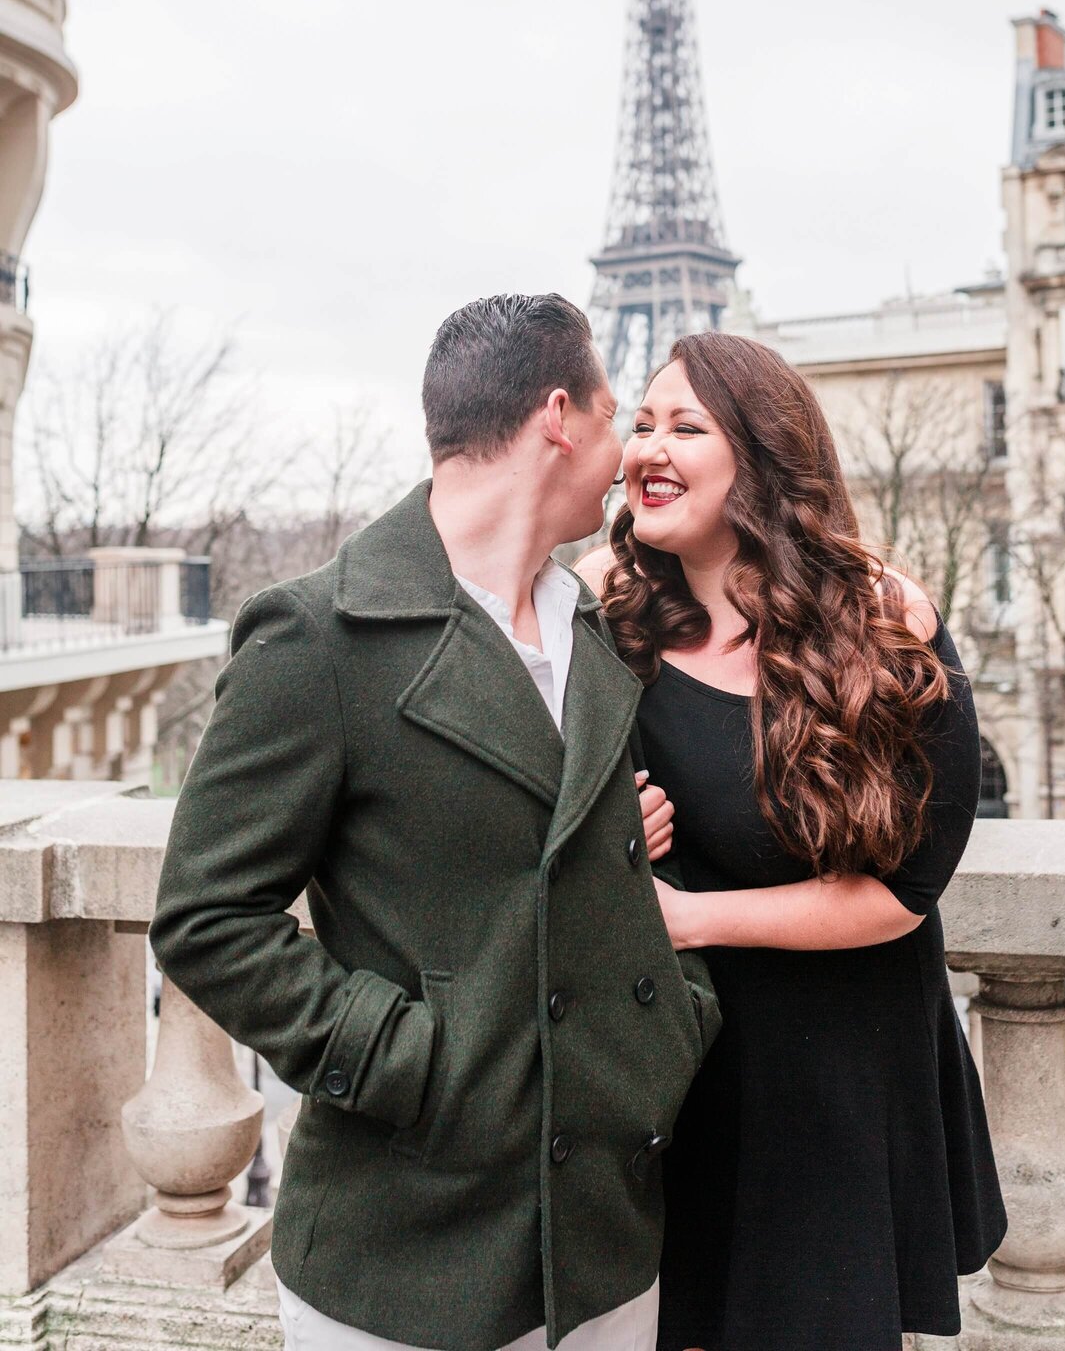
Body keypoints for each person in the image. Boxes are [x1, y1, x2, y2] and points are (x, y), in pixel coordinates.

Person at [150, 293, 720, 1351]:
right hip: (407, 1252)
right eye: (613, 417)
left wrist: (674, 1023)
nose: (624, 450)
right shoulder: (317, 637)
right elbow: (206, 921)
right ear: (559, 416)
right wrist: (413, 1063)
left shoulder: (590, 632)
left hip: (605, 1239)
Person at [576, 331, 1006, 1351]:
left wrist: (683, 916)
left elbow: (905, 890)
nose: (648, 446)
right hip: (680, 1072)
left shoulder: (886, 623)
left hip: (836, 1079)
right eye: (640, 424)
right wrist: (605, 836)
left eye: (686, 425)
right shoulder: (609, 615)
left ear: (765, 455)